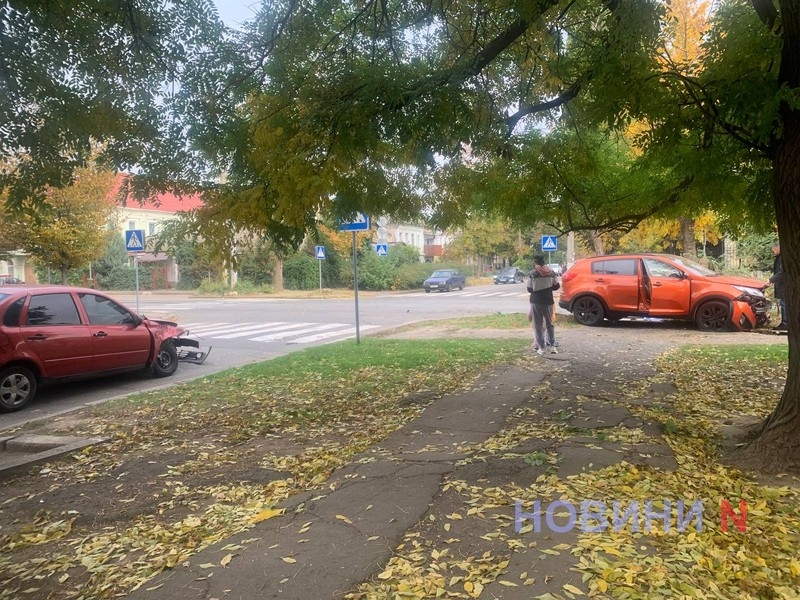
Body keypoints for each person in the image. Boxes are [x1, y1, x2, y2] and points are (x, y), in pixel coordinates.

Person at [528, 255, 560, 355]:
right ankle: (552, 346)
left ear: (535, 262)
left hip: (536, 301)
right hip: (548, 301)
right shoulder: (551, 272)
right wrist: (547, 287)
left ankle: (541, 347)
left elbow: (529, 289)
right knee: (549, 324)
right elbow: (556, 286)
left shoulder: (532, 273)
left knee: (538, 325)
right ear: (544, 262)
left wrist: (538, 287)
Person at [768, 242, 787, 330]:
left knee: (784, 303)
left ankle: (785, 323)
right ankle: (785, 322)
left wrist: (771, 279)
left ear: (778, 248)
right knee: (783, 303)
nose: (774, 252)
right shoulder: (780, 258)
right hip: (782, 285)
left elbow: (781, 272)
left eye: (774, 250)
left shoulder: (781, 258)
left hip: (784, 285)